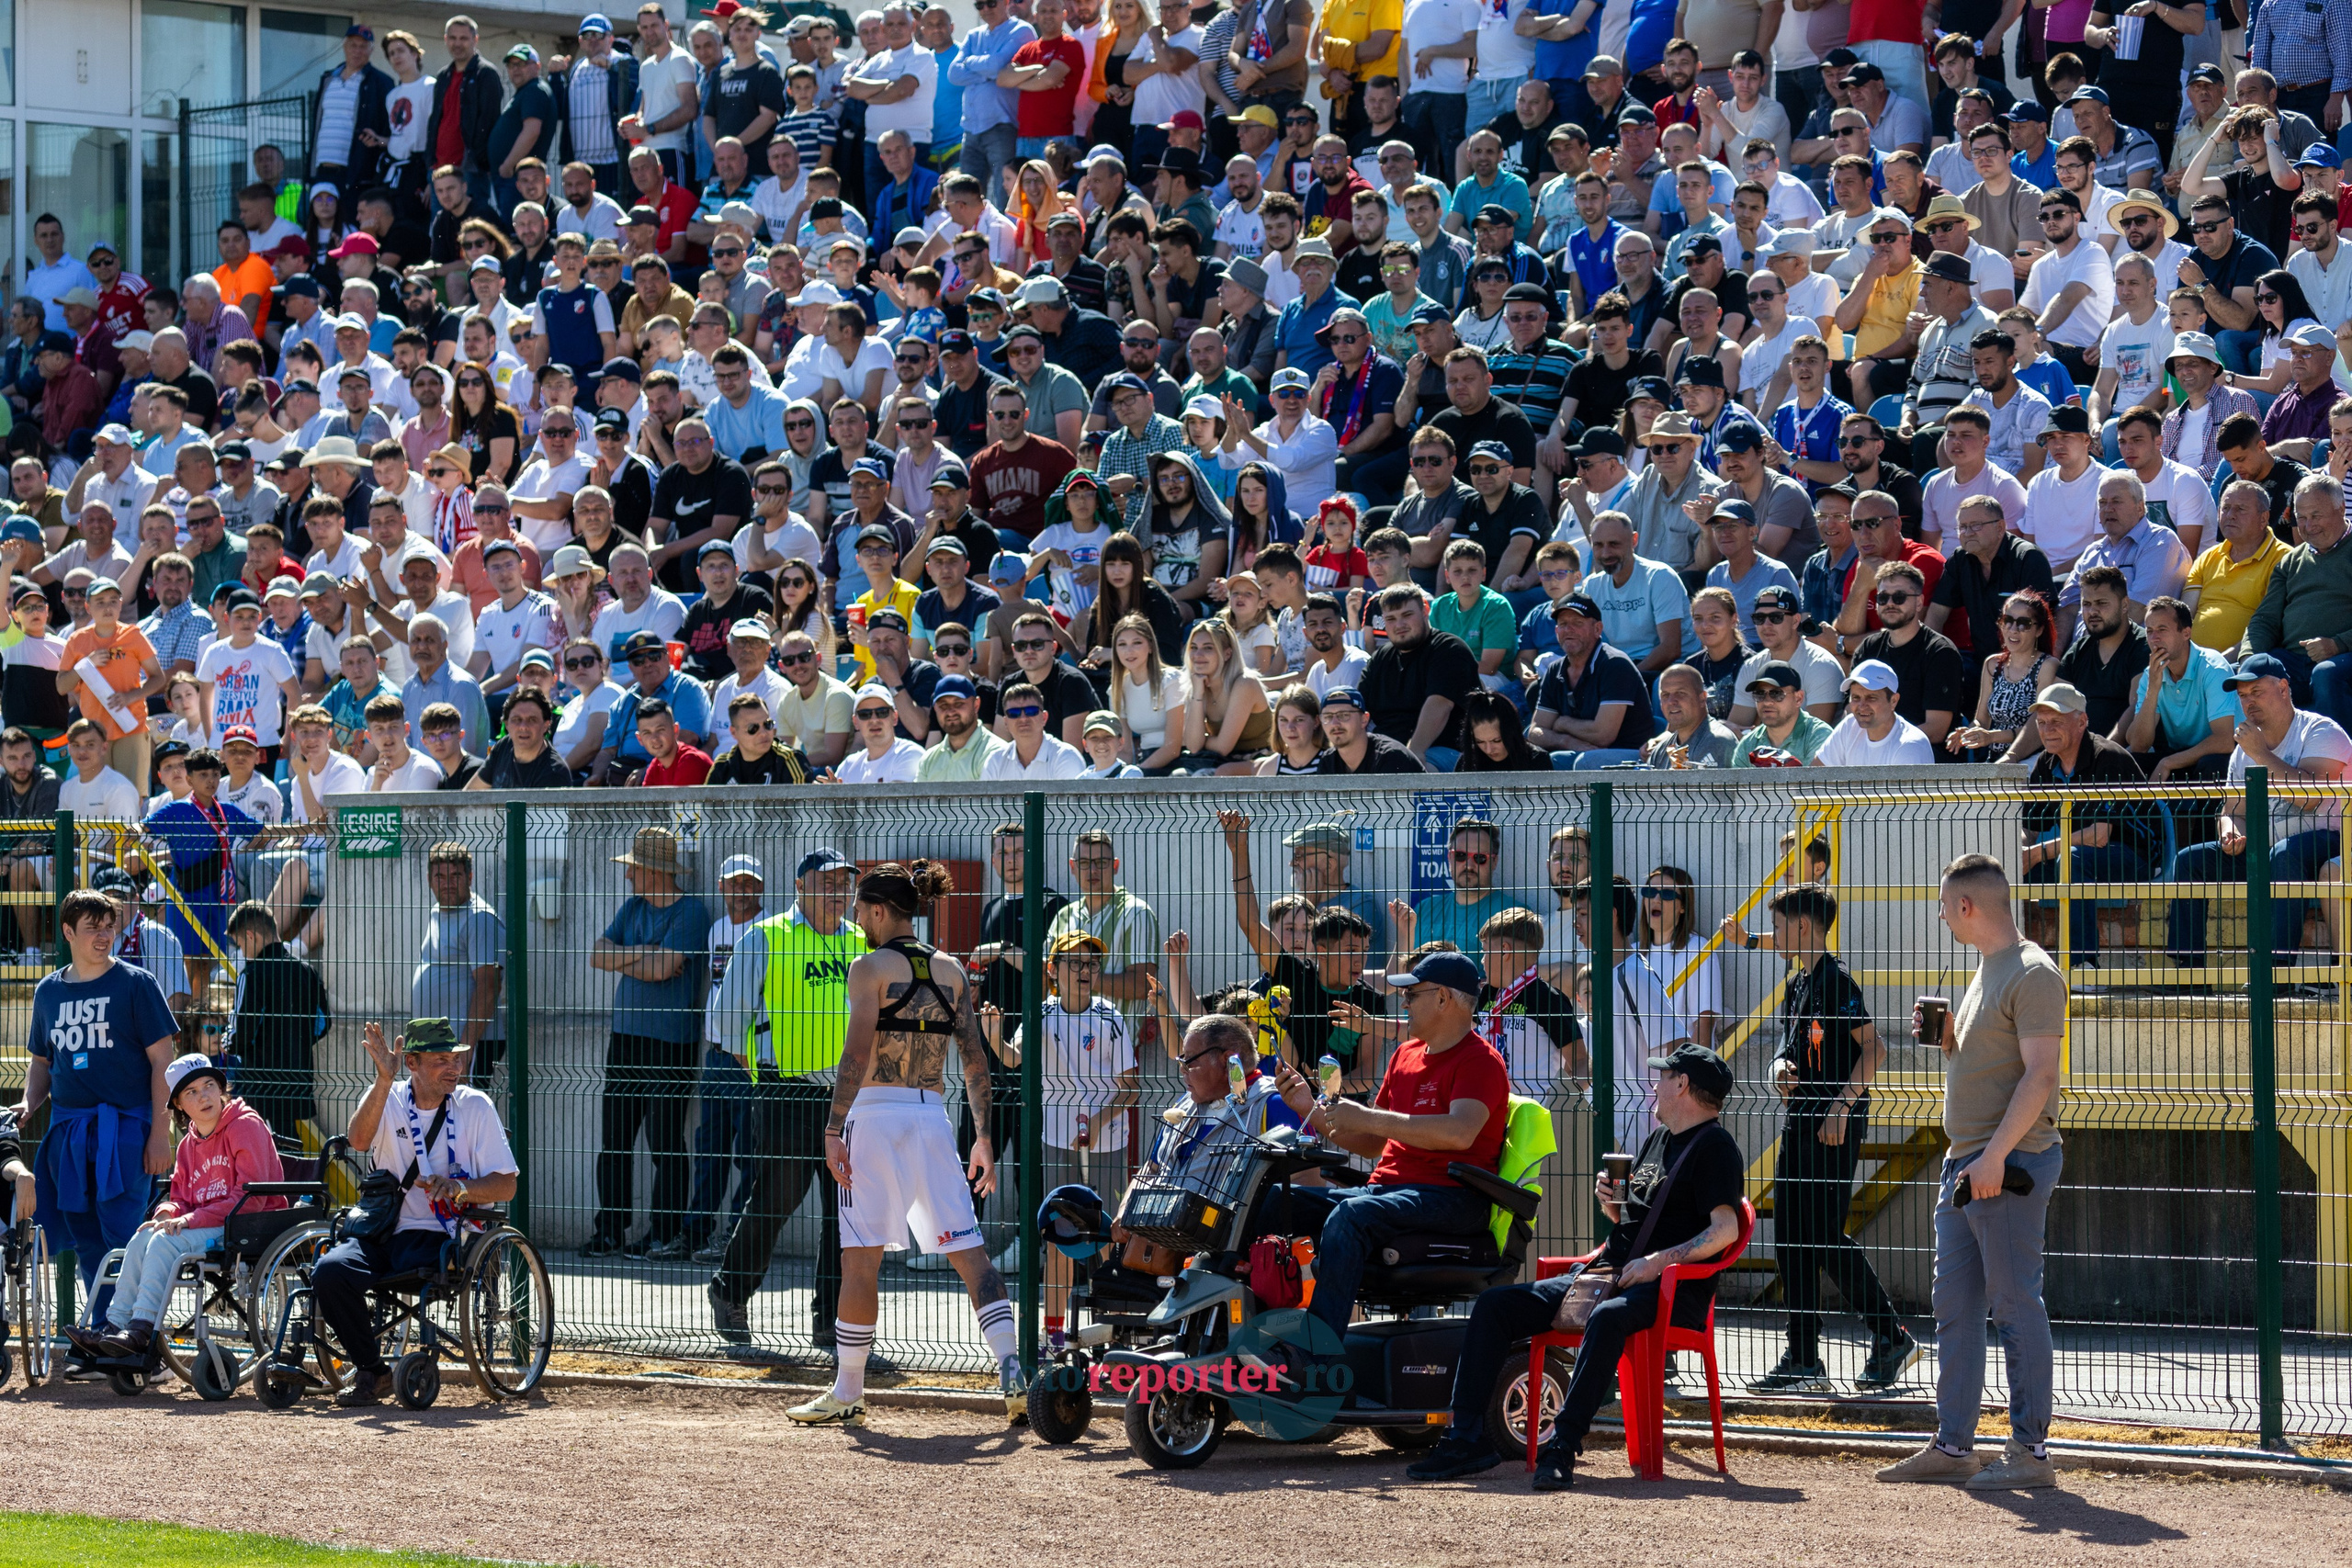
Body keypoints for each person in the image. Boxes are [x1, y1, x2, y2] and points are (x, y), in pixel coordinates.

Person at [1407, 1043, 1742, 1489]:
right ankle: (1466, 1437)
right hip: (1611, 1273)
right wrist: (1613, 1204)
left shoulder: (1716, 1147)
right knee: (1495, 1305)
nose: (1653, 1084)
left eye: (1663, 1076)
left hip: (1669, 1290)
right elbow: (1639, 1221)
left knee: (1606, 1318)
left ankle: (1562, 1446)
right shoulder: (1658, 1137)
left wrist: (1656, 1264)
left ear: (1682, 1085)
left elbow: (1725, 1230)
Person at [787, 861, 1028, 1426]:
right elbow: (975, 1060)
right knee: (970, 1254)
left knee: (860, 1261)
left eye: (859, 910)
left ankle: (848, 1390)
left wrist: (832, 1128)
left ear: (876, 910)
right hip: (931, 1118)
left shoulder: (869, 966)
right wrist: (984, 1138)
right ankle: (1012, 1366)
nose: (855, 918)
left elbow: (855, 1053)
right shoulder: (950, 970)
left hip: (873, 1117)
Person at [1877, 855, 2065, 1491]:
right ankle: (1954, 1444)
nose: (1938, 914)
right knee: (1956, 1306)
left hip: (2004, 1165)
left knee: (2015, 1303)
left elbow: (2041, 1077)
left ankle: (2031, 1451)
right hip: (1969, 1163)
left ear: (1967, 908)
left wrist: (1994, 1157)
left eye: (1942, 904)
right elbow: (1996, 1062)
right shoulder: (1988, 968)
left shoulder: (2035, 973)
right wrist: (1953, 1037)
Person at [1721, 886, 1918, 1393]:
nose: (1775, 937)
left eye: (1780, 927)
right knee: (1790, 1233)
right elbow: (1790, 1053)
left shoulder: (1835, 981)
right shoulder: (1797, 984)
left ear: (1804, 927)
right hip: (1801, 1119)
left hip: (1833, 1122)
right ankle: (1803, 1354)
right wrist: (1779, 1070)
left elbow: (1873, 1050)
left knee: (1825, 1235)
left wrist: (1842, 1104)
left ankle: (1891, 1334)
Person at [1262, 948, 1510, 1344]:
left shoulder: (1481, 1061)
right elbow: (1372, 1143)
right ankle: (1251, 1336)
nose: (1404, 1003)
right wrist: (1309, 1108)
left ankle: (1317, 1357)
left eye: (1412, 995)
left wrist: (1368, 1117)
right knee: (1271, 1200)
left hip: (1454, 1198)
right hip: (1390, 1192)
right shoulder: (1405, 1055)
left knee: (1351, 1215)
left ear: (1444, 998)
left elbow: (1460, 1133)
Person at [312, 1016, 519, 1407]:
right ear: (412, 1064)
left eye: (456, 1059)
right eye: (441, 1060)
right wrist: (383, 1081)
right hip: (385, 1230)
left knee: (411, 1257)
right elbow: (357, 1140)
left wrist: (461, 1188)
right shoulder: (387, 1097)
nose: (454, 1068)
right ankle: (373, 1372)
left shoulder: (475, 1106)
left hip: (448, 1236)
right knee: (329, 1270)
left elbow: (506, 1184)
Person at [705, 846, 865, 1349]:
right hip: (786, 1089)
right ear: (801, 885)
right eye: (829, 881)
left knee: (845, 1212)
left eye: (845, 883)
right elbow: (726, 1019)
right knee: (775, 1200)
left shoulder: (858, 938)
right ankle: (729, 1291)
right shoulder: (767, 935)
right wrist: (758, 1068)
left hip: (846, 1094)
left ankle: (830, 1323)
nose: (840, 891)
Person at [64, 1050, 285, 1362]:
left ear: (221, 1088)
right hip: (210, 1225)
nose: (204, 1096)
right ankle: (113, 1327)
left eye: (209, 1085)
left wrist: (191, 1219)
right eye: (191, 1092)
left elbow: (251, 1200)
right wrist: (166, 1213)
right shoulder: (187, 1145)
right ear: (179, 1105)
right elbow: (180, 1196)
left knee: (166, 1242)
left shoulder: (244, 1126)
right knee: (143, 1237)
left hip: (250, 1225)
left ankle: (141, 1330)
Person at [22, 888, 182, 1296]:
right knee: (85, 1237)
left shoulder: (137, 984)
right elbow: (42, 1064)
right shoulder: (48, 992)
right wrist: (27, 1102)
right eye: (92, 927)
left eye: (109, 927)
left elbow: (164, 1062)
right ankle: (101, 1332)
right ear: (67, 931)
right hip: (68, 1131)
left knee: (123, 1235)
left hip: (128, 1127)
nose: (104, 935)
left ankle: (131, 1333)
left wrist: (159, 1134)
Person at [2164, 653, 2352, 973]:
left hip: (2329, 842)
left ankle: (2273, 972)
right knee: (2190, 861)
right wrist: (2229, 830)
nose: (2248, 702)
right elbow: (2231, 809)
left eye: (2256, 692)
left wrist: (2260, 754)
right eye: (2242, 696)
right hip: (2267, 849)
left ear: (2282, 688)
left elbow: (2310, 798)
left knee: (2284, 855)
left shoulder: (2321, 732)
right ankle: (2188, 971)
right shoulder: (2245, 748)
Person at [583, 828, 710, 1258]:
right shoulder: (633, 907)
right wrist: (645, 952)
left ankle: (663, 1231)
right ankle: (610, 1230)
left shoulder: (691, 913)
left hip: (670, 1039)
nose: (628, 877)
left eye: (633, 870)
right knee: (615, 1136)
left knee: (664, 1138)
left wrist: (637, 959)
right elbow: (597, 955)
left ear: (654, 871)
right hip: (626, 1036)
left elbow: (667, 968)